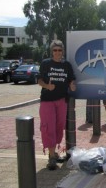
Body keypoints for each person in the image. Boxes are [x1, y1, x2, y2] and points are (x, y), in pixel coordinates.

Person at [38, 40, 76, 170]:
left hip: (61, 100)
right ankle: (51, 158)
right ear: (51, 52)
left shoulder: (67, 65)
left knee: (59, 127)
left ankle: (54, 152)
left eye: (60, 50)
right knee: (49, 127)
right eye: (55, 50)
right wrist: (47, 86)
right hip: (47, 100)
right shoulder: (46, 63)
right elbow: (39, 80)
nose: (57, 52)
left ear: (63, 51)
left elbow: (71, 79)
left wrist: (72, 85)